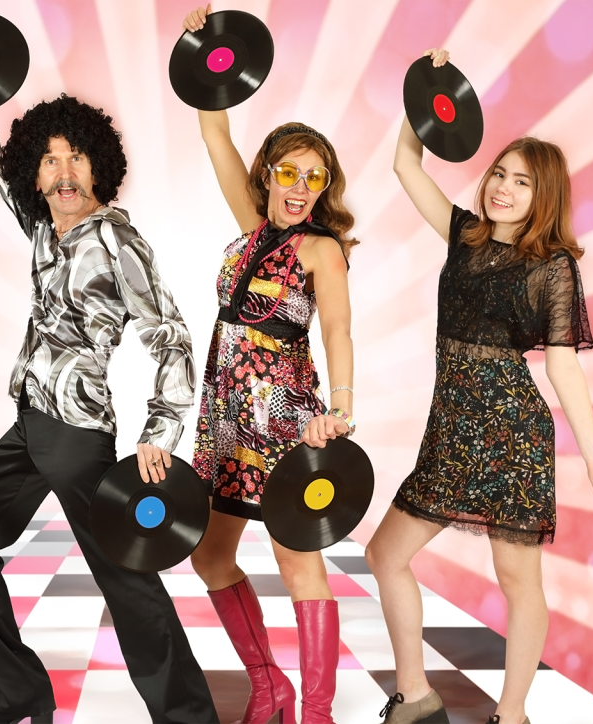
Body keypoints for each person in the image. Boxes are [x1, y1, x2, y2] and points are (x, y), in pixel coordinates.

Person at [0, 9, 220, 724]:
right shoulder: (41, 227)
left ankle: (188, 717)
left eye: (74, 158)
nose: (60, 172)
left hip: (77, 436)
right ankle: (23, 694)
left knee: (126, 579)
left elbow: (170, 335)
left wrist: (161, 430)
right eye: (49, 159)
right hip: (29, 426)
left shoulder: (117, 240)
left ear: (98, 167)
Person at [364, 49, 593, 724]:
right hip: (451, 431)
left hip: (512, 432)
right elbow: (406, 164)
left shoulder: (552, 268)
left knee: (519, 581)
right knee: (384, 554)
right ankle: (415, 694)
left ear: (542, 196)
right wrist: (424, 96)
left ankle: (511, 713)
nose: (502, 188)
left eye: (520, 182)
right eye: (499, 174)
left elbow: (563, 365)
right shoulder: (464, 234)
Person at [182, 7, 358, 724]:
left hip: (283, 414)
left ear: (323, 187)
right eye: (289, 172)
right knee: (209, 557)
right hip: (224, 414)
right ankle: (269, 687)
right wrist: (208, 44)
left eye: (314, 178)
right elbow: (213, 127)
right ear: (270, 174)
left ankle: (314, 712)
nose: (300, 186)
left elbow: (340, 328)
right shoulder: (254, 226)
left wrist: (341, 405)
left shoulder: (321, 250)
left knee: (297, 563)